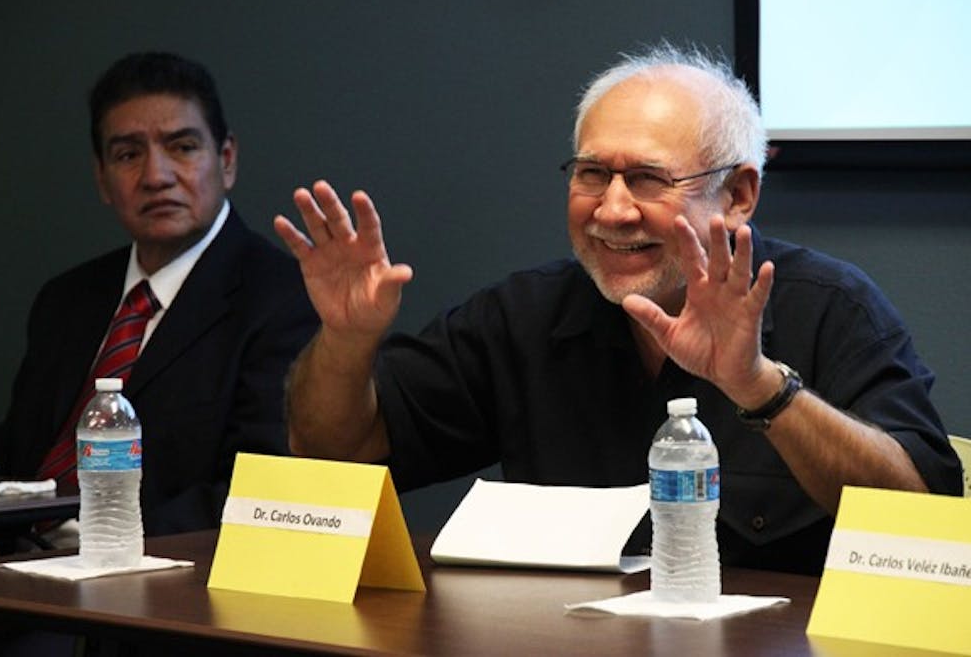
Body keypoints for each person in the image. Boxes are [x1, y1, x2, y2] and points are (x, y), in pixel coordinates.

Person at [273, 43, 961, 575]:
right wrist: (345, 339)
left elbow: (921, 521)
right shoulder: (522, 316)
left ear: (738, 195)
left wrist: (760, 385)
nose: (612, 208)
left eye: (649, 178)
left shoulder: (829, 307)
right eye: (593, 174)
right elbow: (333, 451)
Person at [0, 52, 319, 548]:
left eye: (182, 147)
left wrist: (96, 546)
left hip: (148, 584)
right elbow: (13, 459)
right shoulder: (66, 299)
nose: (156, 176)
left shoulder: (285, 298)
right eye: (127, 154)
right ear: (102, 179)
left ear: (226, 161)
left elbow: (261, 494)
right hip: (8, 570)